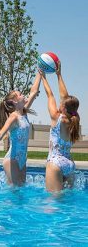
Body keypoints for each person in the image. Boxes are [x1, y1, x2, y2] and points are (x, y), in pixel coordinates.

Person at [0, 73, 42, 186]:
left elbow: (33, 92)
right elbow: (0, 135)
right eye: (20, 94)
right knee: (14, 193)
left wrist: (40, 72)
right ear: (15, 101)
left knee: (20, 194)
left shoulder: (23, 112)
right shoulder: (13, 117)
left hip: (22, 160)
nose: (24, 95)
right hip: (12, 160)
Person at [40, 62, 80, 192]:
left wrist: (43, 77)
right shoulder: (75, 118)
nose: (60, 102)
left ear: (63, 107)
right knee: (66, 203)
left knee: (53, 205)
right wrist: (59, 75)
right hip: (69, 164)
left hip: (55, 162)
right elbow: (66, 98)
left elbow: (50, 95)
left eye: (61, 103)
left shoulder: (57, 118)